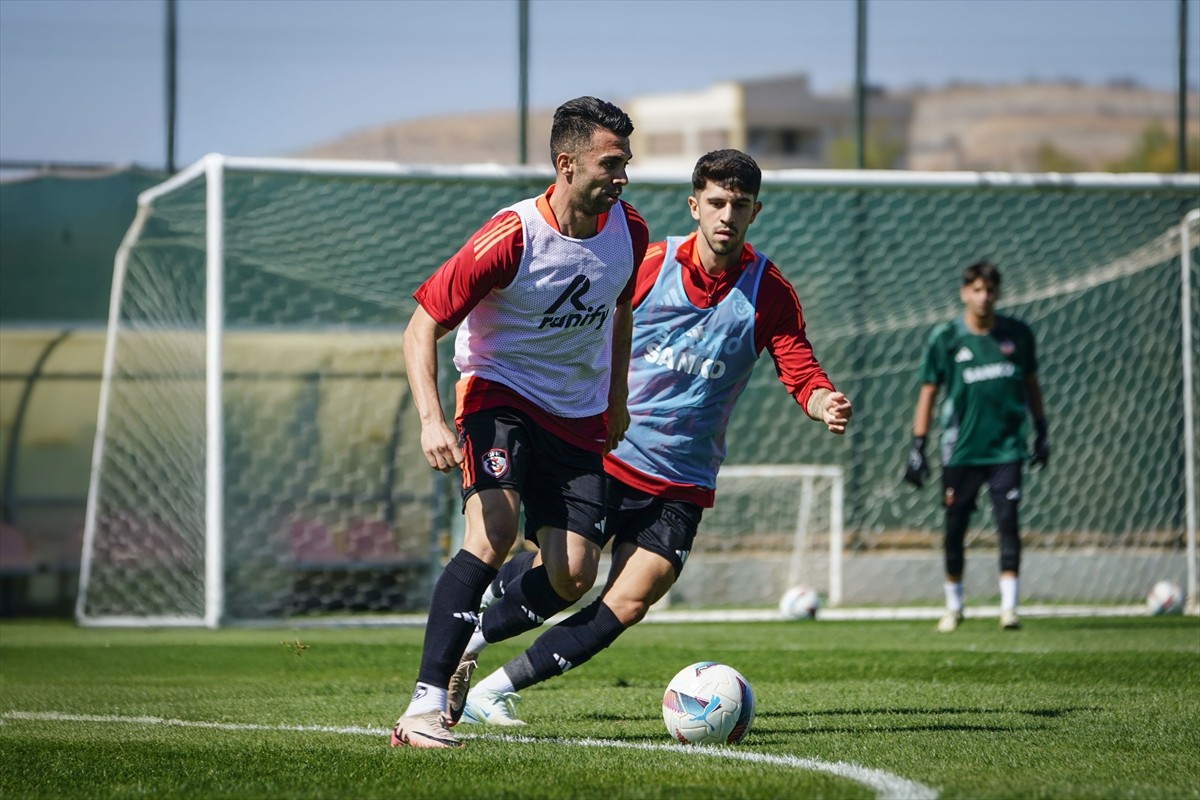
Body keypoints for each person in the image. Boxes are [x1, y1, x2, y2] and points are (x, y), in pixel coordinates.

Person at [448, 149, 852, 726]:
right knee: (564, 574)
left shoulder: (769, 293)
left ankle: (493, 690)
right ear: (694, 205)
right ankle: (473, 634)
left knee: (631, 600)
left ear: (756, 212)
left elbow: (800, 367)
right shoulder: (651, 262)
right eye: (715, 202)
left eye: (739, 206)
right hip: (607, 456)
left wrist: (823, 400)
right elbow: (588, 316)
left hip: (683, 480)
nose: (726, 216)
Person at [389, 96, 649, 749]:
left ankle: (471, 634)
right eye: (609, 163)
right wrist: (431, 419)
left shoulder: (631, 230)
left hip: (578, 415)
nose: (622, 178)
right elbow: (422, 325)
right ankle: (422, 707)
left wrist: (617, 397)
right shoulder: (510, 237)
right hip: (497, 397)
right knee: (494, 530)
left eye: (626, 164)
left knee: (575, 574)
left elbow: (621, 310)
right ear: (566, 164)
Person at [902, 261, 1048, 633]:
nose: (983, 297)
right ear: (965, 293)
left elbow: (1031, 383)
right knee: (954, 528)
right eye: (977, 290)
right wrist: (918, 444)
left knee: (1008, 523)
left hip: (1007, 449)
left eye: (990, 290)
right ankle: (954, 606)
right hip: (961, 450)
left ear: (998, 294)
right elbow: (928, 391)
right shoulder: (946, 338)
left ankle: (1009, 608)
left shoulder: (1018, 335)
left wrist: (1041, 430)